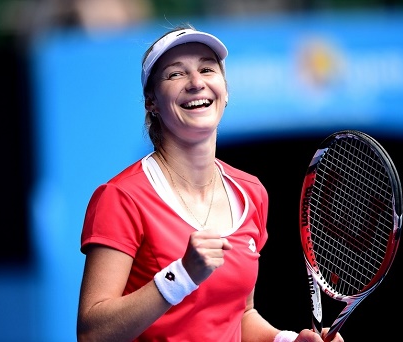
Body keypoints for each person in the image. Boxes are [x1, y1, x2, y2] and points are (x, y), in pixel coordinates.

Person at [76, 23, 344, 342]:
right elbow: (92, 334)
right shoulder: (121, 198)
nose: (196, 83)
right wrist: (181, 276)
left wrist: (285, 340)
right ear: (151, 102)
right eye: (176, 74)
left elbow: (239, 315)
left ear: (226, 90)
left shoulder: (251, 193)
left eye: (207, 69)